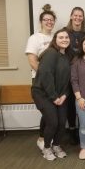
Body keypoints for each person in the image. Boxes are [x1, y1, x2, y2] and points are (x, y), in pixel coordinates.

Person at [31, 28, 72, 161]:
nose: (64, 39)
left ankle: (56, 145)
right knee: (53, 122)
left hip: (61, 95)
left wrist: (64, 95)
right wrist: (54, 97)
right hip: (43, 94)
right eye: (61, 37)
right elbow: (46, 76)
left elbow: (68, 79)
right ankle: (47, 148)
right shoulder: (50, 53)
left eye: (66, 37)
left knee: (61, 122)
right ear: (55, 40)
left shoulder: (67, 56)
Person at [25, 4, 55, 151]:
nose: (49, 22)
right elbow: (32, 61)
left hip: (54, 83)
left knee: (51, 112)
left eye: (51, 20)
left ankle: (45, 136)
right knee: (47, 111)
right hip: (40, 82)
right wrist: (45, 77)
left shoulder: (55, 38)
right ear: (41, 21)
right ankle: (42, 138)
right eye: (46, 20)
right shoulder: (34, 38)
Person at [64, 6, 85, 145]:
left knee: (81, 102)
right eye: (75, 15)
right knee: (70, 104)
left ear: (83, 18)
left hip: (82, 74)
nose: (78, 18)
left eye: (80, 16)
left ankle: (82, 130)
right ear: (71, 16)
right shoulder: (64, 32)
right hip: (67, 74)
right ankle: (72, 129)